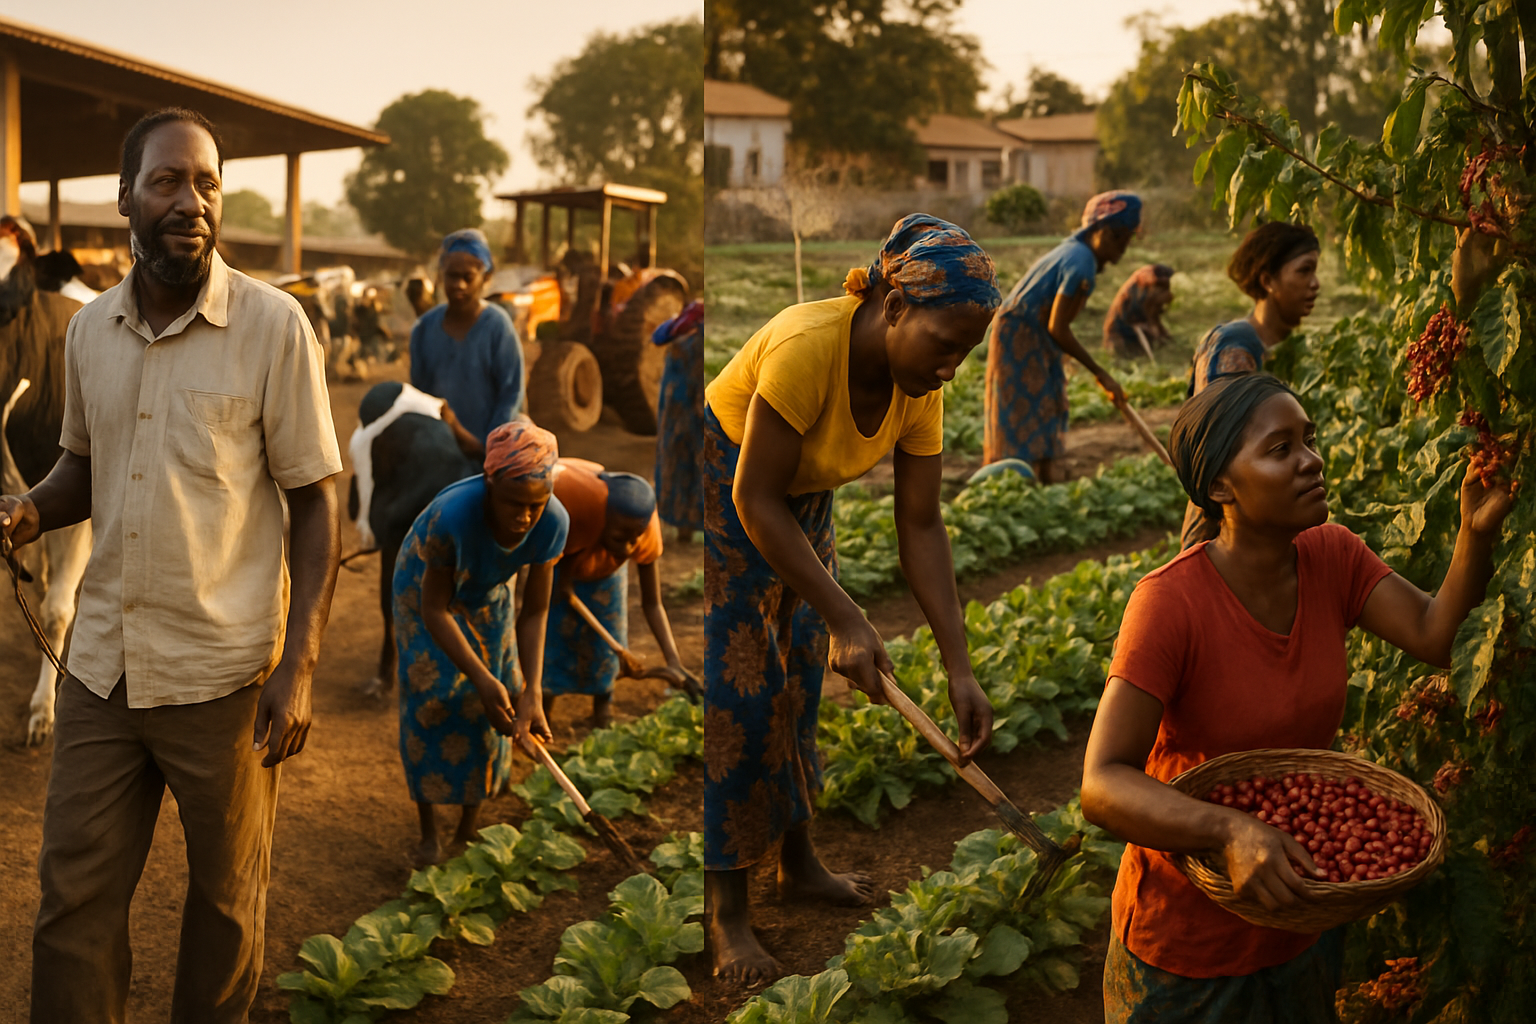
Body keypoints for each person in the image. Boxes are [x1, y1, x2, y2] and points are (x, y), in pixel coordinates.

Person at [0, 107, 343, 1024]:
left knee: (225, 907)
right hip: (101, 670)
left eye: (207, 183)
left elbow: (317, 502)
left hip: (224, 679)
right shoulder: (88, 332)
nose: (192, 201)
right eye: (167, 181)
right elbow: (82, 468)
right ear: (125, 199)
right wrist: (27, 511)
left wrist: (301, 666)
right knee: (72, 902)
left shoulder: (274, 327)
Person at [1081, 373, 1514, 1023]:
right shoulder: (1169, 603)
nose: (1312, 460)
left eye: (1308, 440)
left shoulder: (1331, 556)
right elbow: (1102, 784)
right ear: (1221, 487)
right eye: (1281, 449)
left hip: (1303, 915)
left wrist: (1473, 535)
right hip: (1187, 941)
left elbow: (1436, 634)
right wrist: (1229, 828)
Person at [701, 213, 1000, 985]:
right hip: (736, 481)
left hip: (803, 495)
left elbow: (921, 524)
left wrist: (960, 669)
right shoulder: (807, 347)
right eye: (945, 345)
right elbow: (754, 498)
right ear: (894, 308)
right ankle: (725, 911)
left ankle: (797, 863)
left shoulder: (920, 387)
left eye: (966, 354)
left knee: (803, 677)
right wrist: (847, 614)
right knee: (744, 695)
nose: (951, 369)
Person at [392, 418, 565, 866]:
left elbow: (535, 611)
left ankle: (469, 825)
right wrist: (480, 677)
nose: (525, 517)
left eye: (537, 505)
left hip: (488, 589)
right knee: (431, 699)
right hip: (422, 589)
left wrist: (533, 689)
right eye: (514, 504)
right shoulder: (451, 517)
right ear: (490, 484)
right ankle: (428, 830)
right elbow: (435, 609)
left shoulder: (553, 523)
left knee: (499, 697)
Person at [1181, 222, 1321, 548]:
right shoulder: (1234, 346)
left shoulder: (1283, 348)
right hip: (1228, 533)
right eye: (1304, 271)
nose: (1315, 284)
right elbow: (1222, 454)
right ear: (1267, 281)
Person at [985, 190, 1138, 482]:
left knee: (1045, 403)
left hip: (1026, 332)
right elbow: (1058, 328)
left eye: (1128, 238)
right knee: (1026, 410)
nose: (1124, 247)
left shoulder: (1075, 251)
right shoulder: (1081, 263)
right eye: (1121, 237)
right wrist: (1101, 373)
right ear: (1102, 232)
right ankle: (1020, 480)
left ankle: (1041, 478)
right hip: (1021, 336)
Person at [541, 460, 687, 729]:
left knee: (608, 643)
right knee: (555, 640)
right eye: (620, 538)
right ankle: (543, 709)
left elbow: (653, 603)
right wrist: (564, 584)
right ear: (602, 522)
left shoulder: (645, 528)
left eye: (635, 539)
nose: (629, 547)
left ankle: (603, 711)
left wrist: (673, 661)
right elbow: (558, 572)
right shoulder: (576, 510)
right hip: (568, 558)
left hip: (608, 578)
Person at [409, 229, 525, 460]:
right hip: (439, 451)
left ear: (486, 277)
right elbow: (420, 394)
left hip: (492, 453)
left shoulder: (497, 327)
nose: (459, 285)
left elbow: (511, 394)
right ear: (442, 275)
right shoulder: (424, 329)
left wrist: (488, 446)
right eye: (452, 276)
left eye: (468, 277)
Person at [652, 299, 704, 539]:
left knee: (675, 463)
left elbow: (658, 336)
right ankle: (689, 525)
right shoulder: (696, 343)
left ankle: (680, 525)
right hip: (693, 411)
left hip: (674, 412)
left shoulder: (678, 337)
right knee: (696, 465)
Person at [1103, 263, 1175, 357]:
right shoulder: (1146, 286)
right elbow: (1149, 318)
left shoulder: (1150, 285)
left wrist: (1164, 335)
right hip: (1121, 331)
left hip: (1131, 326)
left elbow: (1154, 316)